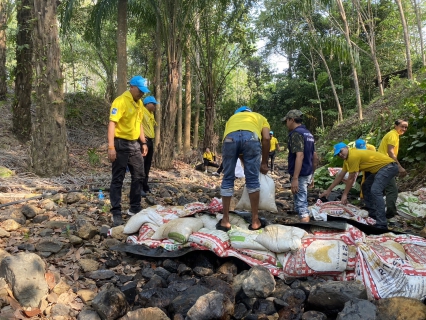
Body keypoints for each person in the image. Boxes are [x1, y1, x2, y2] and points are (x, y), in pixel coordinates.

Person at [319, 142, 399, 229]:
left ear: (346, 148)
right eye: (338, 154)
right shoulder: (347, 160)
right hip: (380, 169)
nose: (340, 154)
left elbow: (351, 178)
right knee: (366, 186)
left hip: (388, 167)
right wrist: (329, 190)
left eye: (341, 151)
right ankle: (374, 214)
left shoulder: (353, 156)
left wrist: (344, 195)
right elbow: (340, 176)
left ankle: (382, 223)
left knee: (375, 190)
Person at [217, 106, 270, 231]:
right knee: (252, 180)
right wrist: (264, 163)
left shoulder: (232, 119)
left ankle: (225, 220)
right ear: (250, 113)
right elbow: (267, 138)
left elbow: (237, 144)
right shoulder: (259, 117)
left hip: (229, 139)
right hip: (251, 138)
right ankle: (255, 221)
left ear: (238, 113)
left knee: (228, 177)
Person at [107, 75, 150, 226]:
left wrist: (143, 142)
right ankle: (116, 211)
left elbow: (139, 125)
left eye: (143, 91)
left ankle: (135, 208)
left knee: (139, 175)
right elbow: (112, 124)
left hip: (135, 144)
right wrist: (111, 147)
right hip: (120, 144)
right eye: (140, 90)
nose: (142, 94)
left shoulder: (139, 103)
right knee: (118, 178)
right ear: (132, 87)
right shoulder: (120, 101)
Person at [282, 109, 318, 223]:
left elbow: (300, 155)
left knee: (302, 206)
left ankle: (305, 233)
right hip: (307, 172)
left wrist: (295, 178)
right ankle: (300, 226)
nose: (286, 124)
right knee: (298, 202)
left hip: (300, 174)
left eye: (287, 121)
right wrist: (312, 175)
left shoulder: (296, 134)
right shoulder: (308, 134)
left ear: (291, 120)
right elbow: (315, 157)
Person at [378, 119, 408, 218]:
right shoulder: (393, 135)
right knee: (392, 190)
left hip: (382, 163)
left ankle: (376, 209)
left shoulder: (394, 135)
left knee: (378, 188)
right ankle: (390, 214)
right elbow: (390, 152)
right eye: (402, 126)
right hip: (385, 164)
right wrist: (399, 166)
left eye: (405, 127)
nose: (404, 129)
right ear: (395, 126)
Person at [141, 96, 158, 197]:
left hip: (150, 141)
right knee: (141, 165)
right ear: (147, 104)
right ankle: (139, 187)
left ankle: (145, 185)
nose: (155, 106)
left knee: (147, 165)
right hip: (144, 141)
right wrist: (142, 140)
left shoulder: (151, 114)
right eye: (153, 104)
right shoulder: (142, 111)